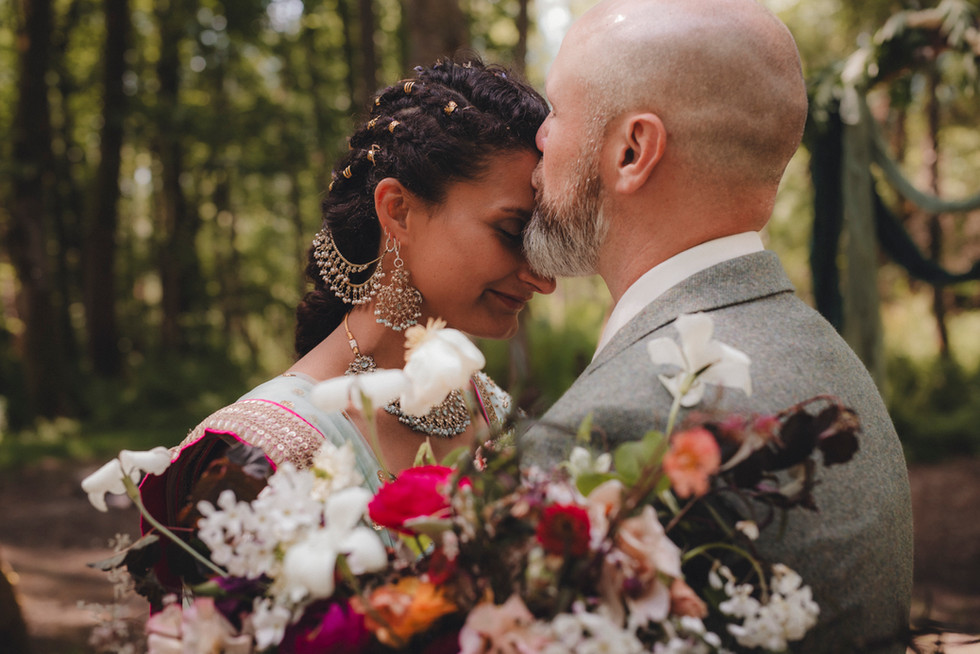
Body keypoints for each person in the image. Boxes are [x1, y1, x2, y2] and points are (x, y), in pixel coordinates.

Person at [520, 0, 913, 651]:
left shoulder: (607, 432)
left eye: (555, 111)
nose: (538, 137)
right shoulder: (834, 365)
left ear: (632, 150)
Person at [140, 59, 556, 589]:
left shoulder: (499, 418)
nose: (542, 279)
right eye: (513, 230)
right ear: (399, 210)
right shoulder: (261, 452)